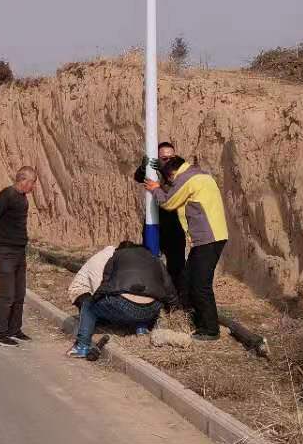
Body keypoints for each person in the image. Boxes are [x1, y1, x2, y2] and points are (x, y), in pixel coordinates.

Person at [146, 156, 269, 358]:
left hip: (208, 238)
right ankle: (193, 317)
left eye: (169, 178)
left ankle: (210, 329)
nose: (171, 182)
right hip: (209, 237)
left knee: (200, 284)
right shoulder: (198, 174)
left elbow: (168, 202)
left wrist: (155, 188)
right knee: (188, 277)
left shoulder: (187, 179)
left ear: (171, 173)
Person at [66, 241, 178, 359]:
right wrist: (174, 309)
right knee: (144, 299)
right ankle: (141, 327)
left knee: (89, 305)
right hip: (151, 310)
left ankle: (82, 347)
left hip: (124, 306)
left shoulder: (116, 256)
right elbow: (169, 289)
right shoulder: (155, 259)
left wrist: (96, 299)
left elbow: (106, 284)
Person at [0, 166, 38, 347]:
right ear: (25, 180)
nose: (33, 187)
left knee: (19, 293)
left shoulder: (22, 199)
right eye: (33, 183)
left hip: (19, 251)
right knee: (7, 294)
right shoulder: (6, 195)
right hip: (4, 251)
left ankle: (14, 329)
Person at [133, 139, 187, 306]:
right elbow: (139, 177)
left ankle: (177, 304)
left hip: (174, 224)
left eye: (171, 157)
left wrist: (164, 170)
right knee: (150, 263)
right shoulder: (153, 169)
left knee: (177, 266)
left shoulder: (180, 169)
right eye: (163, 158)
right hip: (155, 223)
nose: (168, 161)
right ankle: (150, 301)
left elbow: (176, 181)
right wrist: (145, 168)